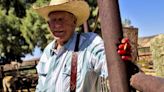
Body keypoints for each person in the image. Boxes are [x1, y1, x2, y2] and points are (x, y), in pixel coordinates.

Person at [33, 0, 131, 92]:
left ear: (74, 22)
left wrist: (120, 58)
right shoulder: (47, 52)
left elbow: (108, 63)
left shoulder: (89, 43)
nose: (57, 25)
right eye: (53, 20)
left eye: (61, 19)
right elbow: (40, 87)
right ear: (48, 24)